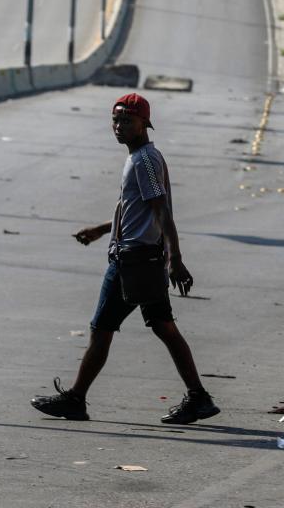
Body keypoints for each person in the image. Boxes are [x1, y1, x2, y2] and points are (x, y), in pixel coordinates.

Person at [31, 93, 219, 425]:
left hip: (133, 262)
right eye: (115, 119)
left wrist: (176, 258)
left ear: (145, 123)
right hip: (141, 258)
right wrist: (102, 230)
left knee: (102, 328)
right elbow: (138, 210)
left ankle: (76, 399)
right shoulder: (139, 157)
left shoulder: (144, 160)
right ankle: (198, 397)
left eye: (127, 120)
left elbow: (162, 211)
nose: (119, 126)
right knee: (163, 327)